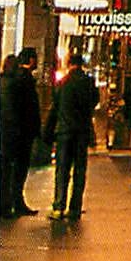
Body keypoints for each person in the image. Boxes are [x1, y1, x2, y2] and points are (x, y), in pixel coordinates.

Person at [45, 53, 98, 221]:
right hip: (81, 131)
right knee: (79, 170)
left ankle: (58, 206)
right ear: (82, 64)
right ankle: (75, 208)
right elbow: (93, 103)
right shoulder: (89, 83)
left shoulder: (63, 83)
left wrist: (48, 131)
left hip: (64, 132)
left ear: (69, 64)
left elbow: (55, 108)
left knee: (62, 170)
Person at [1, 52, 43, 216]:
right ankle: (12, 203)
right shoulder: (22, 81)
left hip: (9, 132)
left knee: (6, 169)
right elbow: (26, 108)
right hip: (18, 133)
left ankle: (9, 203)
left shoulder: (6, 82)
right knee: (16, 169)